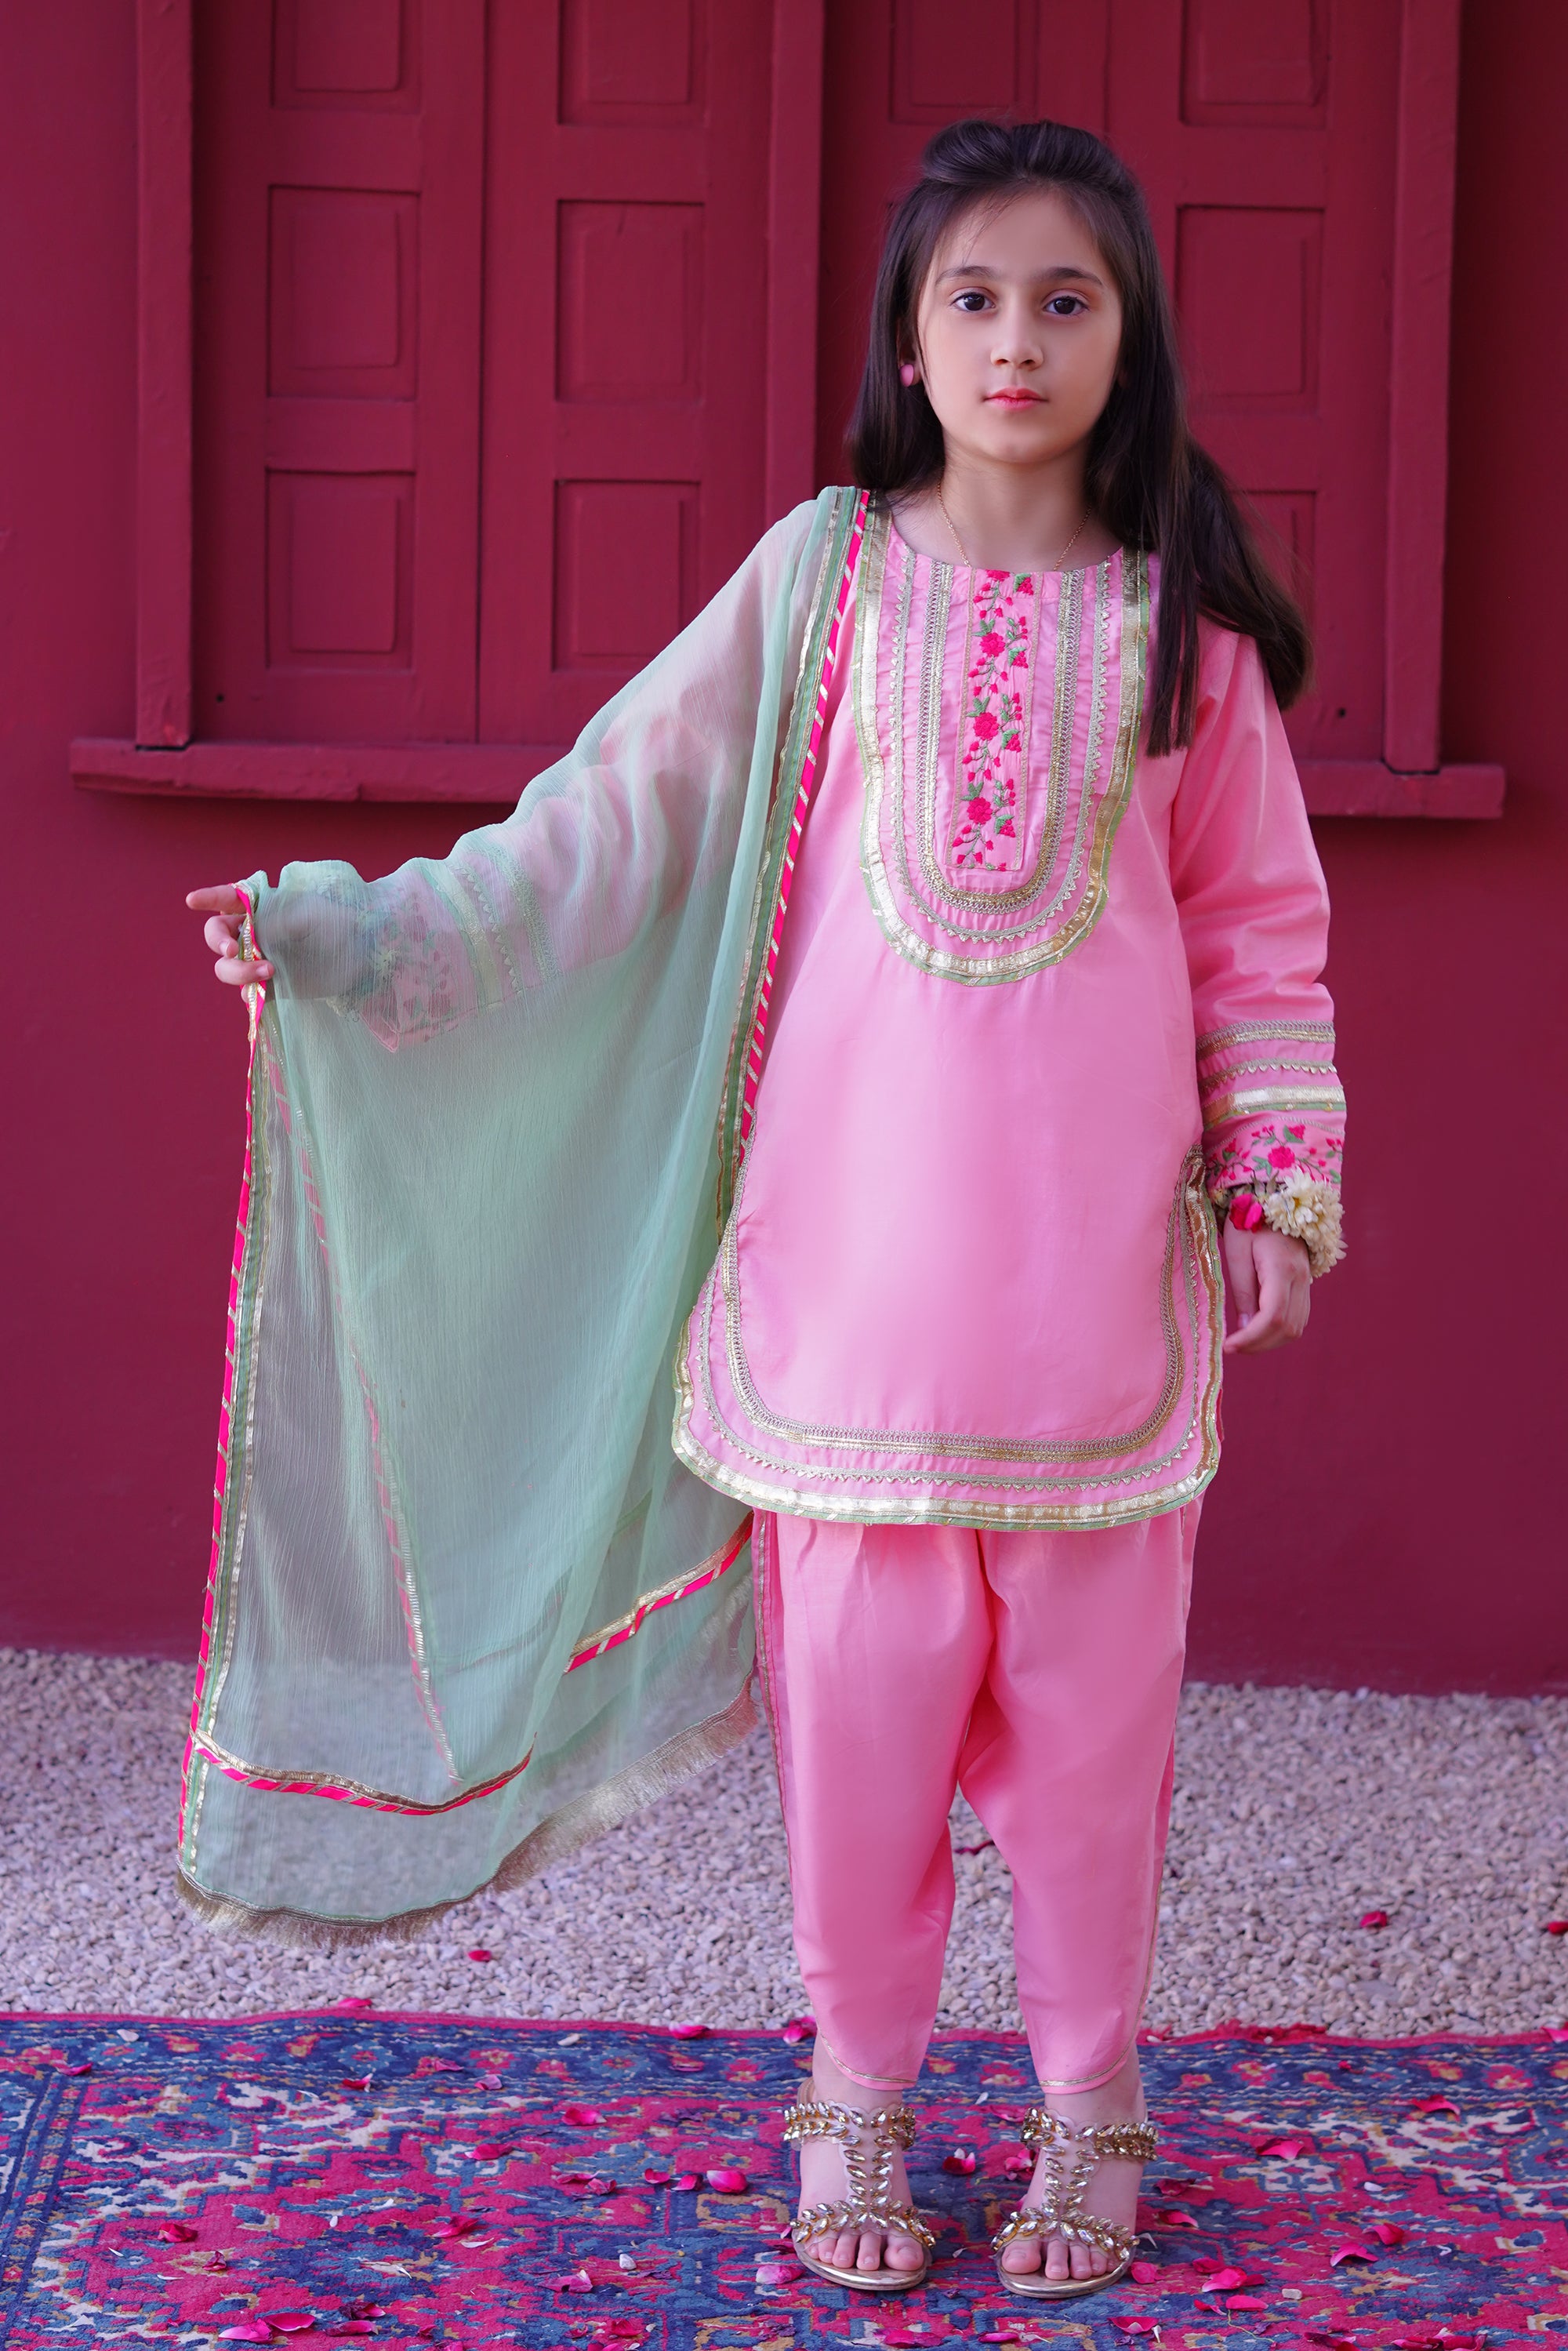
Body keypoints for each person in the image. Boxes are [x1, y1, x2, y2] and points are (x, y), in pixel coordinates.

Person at [187, 118, 1344, 2307]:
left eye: (1067, 299)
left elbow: (1257, 936)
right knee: (863, 1759)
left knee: (1094, 1766)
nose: (1016, 342)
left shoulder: (1179, 637)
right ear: (908, 339)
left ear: (1131, 340)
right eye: (973, 298)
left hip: (1099, 1315)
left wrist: (1278, 1178)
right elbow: (610, 817)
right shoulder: (824, 589)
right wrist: (359, 934)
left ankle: (1092, 2101)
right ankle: (859, 2094)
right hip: (849, 1314)